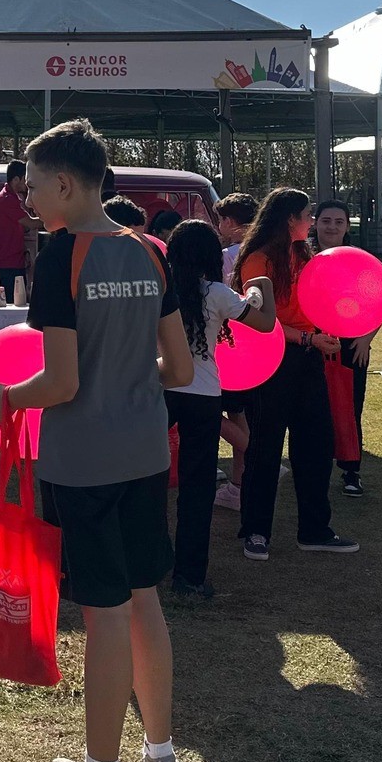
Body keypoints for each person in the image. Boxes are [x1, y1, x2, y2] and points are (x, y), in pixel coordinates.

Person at [0, 119, 193, 762]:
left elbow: (61, 382)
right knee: (144, 601)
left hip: (86, 463)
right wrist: (126, 369)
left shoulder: (62, 257)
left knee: (106, 616)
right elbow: (180, 369)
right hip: (145, 454)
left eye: (33, 187)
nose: (28, 201)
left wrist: (7, 397)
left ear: (65, 184)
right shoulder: (151, 251)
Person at [231, 188, 358, 561]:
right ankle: (256, 531)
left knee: (316, 446)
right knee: (265, 448)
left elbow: (318, 303)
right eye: (308, 215)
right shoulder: (258, 259)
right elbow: (259, 319)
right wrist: (308, 338)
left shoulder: (306, 255)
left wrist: (325, 333)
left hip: (308, 359)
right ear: (290, 219)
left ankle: (315, 530)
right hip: (270, 362)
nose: (312, 221)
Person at [161, 220, 273, 599]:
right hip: (204, 395)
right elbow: (265, 323)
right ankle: (190, 577)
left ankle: (150, 561)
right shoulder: (218, 294)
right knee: (197, 488)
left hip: (160, 388)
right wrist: (262, 286)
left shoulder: (161, 291)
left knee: (147, 480)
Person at [310, 199, 372, 497]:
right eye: (326, 220)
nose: (331, 227)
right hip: (311, 341)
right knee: (312, 407)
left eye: (338, 221)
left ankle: (351, 470)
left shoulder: (360, 260)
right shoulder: (302, 257)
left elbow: (379, 300)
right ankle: (312, 466)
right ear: (315, 223)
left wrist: (366, 339)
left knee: (350, 405)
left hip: (351, 343)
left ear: (347, 226)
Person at [212, 192, 259, 510]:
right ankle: (241, 483)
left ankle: (253, 467)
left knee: (219, 410)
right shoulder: (263, 251)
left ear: (229, 222)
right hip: (257, 347)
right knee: (239, 412)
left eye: (220, 221)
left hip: (230, 344)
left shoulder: (229, 256)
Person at [0, 159, 32, 301]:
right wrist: (56, 219)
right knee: (13, 302)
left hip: (10, 261)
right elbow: (30, 223)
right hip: (7, 263)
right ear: (16, 179)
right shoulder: (7, 199)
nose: (27, 182)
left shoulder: (10, 196)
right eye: (25, 178)